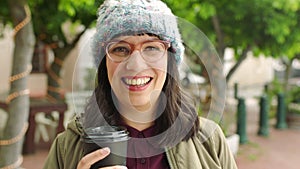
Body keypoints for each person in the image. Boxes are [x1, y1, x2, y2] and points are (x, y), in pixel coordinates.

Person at [43, 0, 238, 169]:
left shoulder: (210, 141)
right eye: (120, 48)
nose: (136, 65)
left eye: (152, 47)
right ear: (104, 62)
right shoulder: (66, 146)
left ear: (170, 60)